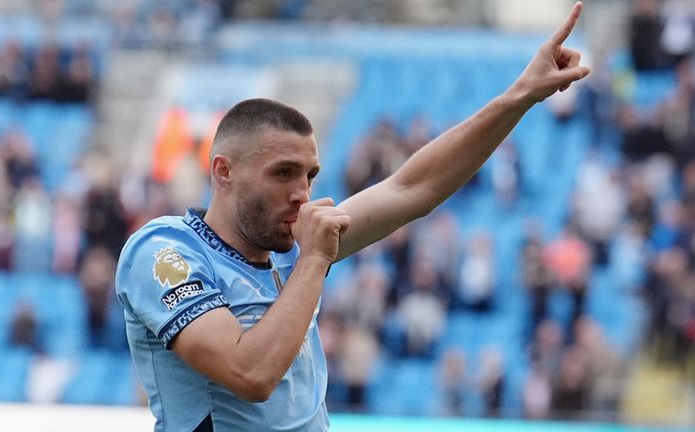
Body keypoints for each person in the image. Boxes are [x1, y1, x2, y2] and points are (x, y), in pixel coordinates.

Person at [114, 3, 591, 431]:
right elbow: (250, 374)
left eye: (310, 175)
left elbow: (413, 188)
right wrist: (313, 262)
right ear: (224, 171)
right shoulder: (165, 252)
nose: (302, 194)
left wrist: (520, 97)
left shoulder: (295, 244)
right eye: (283, 173)